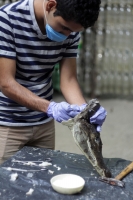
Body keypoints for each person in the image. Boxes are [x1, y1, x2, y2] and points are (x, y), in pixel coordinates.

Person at [0, 0, 106, 164]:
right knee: (6, 185)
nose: (67, 36)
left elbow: (68, 79)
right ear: (50, 6)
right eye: (64, 28)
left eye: (72, 32)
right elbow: (6, 83)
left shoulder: (71, 28)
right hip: (8, 123)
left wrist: (85, 112)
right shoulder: (7, 19)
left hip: (44, 124)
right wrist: (50, 107)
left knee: (43, 181)